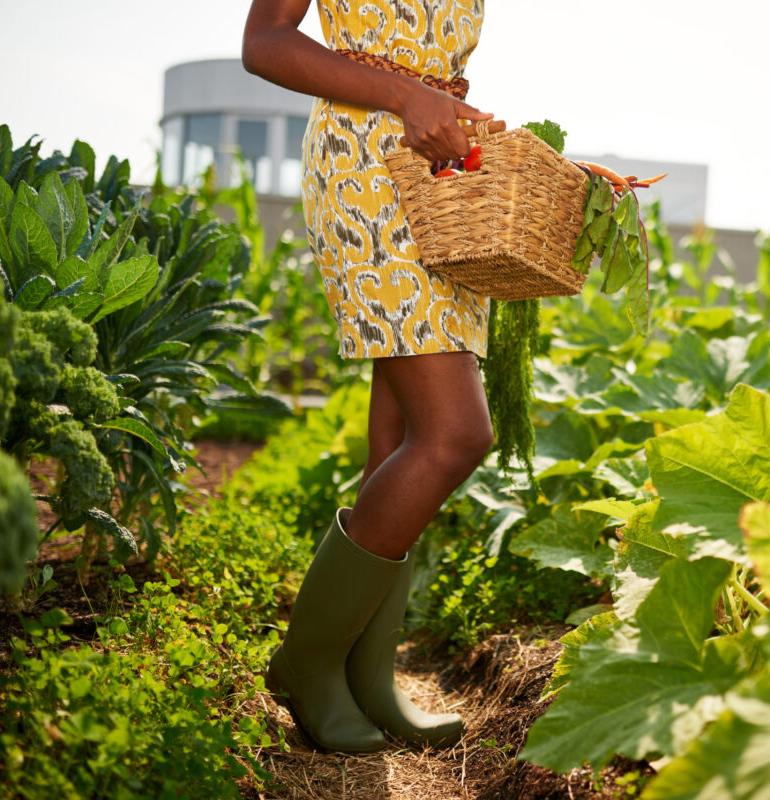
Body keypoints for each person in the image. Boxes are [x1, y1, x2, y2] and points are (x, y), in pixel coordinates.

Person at [241, 0, 496, 754]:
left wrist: (451, 108)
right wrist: (407, 95)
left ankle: (367, 672)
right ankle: (308, 659)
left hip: (440, 177)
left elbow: (425, 56)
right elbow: (264, 42)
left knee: (400, 436)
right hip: (370, 170)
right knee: (455, 435)